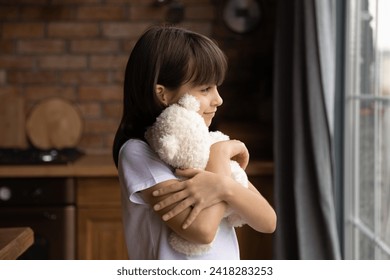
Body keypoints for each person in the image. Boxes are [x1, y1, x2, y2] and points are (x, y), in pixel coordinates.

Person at [113, 25, 276, 260]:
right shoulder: (137, 152)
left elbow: (268, 222)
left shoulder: (206, 143)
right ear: (162, 94)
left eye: (216, 87)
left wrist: (223, 186)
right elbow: (202, 231)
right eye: (205, 89)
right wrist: (220, 154)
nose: (218, 99)